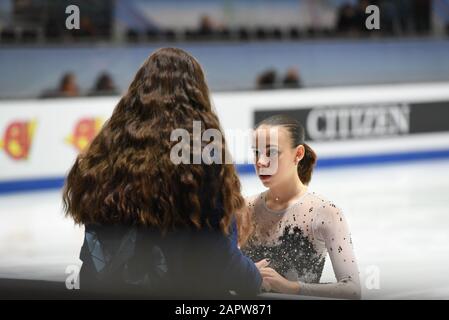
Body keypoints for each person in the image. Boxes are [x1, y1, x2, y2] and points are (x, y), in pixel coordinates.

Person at [62, 47, 262, 298]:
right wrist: (254, 277)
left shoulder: (102, 156)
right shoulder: (199, 161)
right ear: (197, 98)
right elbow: (217, 257)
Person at [237, 114, 361, 299]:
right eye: (256, 152)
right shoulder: (244, 209)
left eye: (271, 152)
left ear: (298, 154)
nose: (261, 162)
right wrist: (240, 275)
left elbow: (352, 290)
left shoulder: (324, 213)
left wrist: (292, 287)